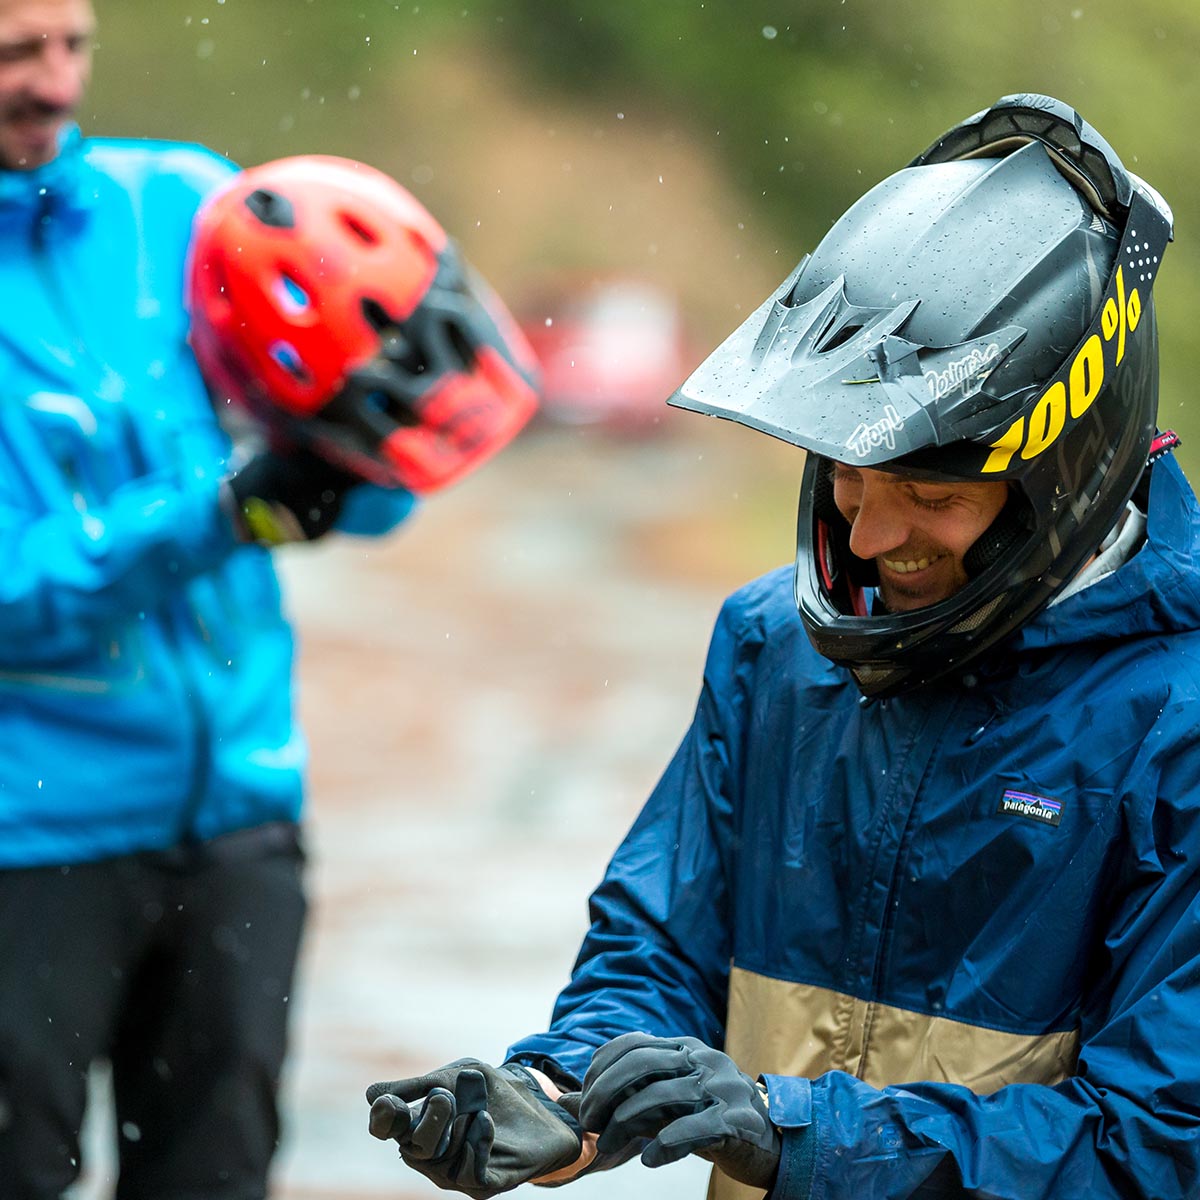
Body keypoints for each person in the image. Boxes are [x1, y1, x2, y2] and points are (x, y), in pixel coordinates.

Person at [364, 94, 1200, 1200]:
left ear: (1071, 466)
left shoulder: (1175, 722)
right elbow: (658, 950)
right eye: (850, 467)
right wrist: (563, 1099)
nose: (869, 528)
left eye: (930, 493)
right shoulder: (774, 644)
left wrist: (796, 1134)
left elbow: (1157, 1145)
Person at [0, 1, 536, 1197]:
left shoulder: (186, 204)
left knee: (221, 1179)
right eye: (13, 57)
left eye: (69, 46)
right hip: (26, 842)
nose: (52, 85)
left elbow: (363, 479)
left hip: (241, 822)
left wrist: (364, 454)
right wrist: (223, 509)